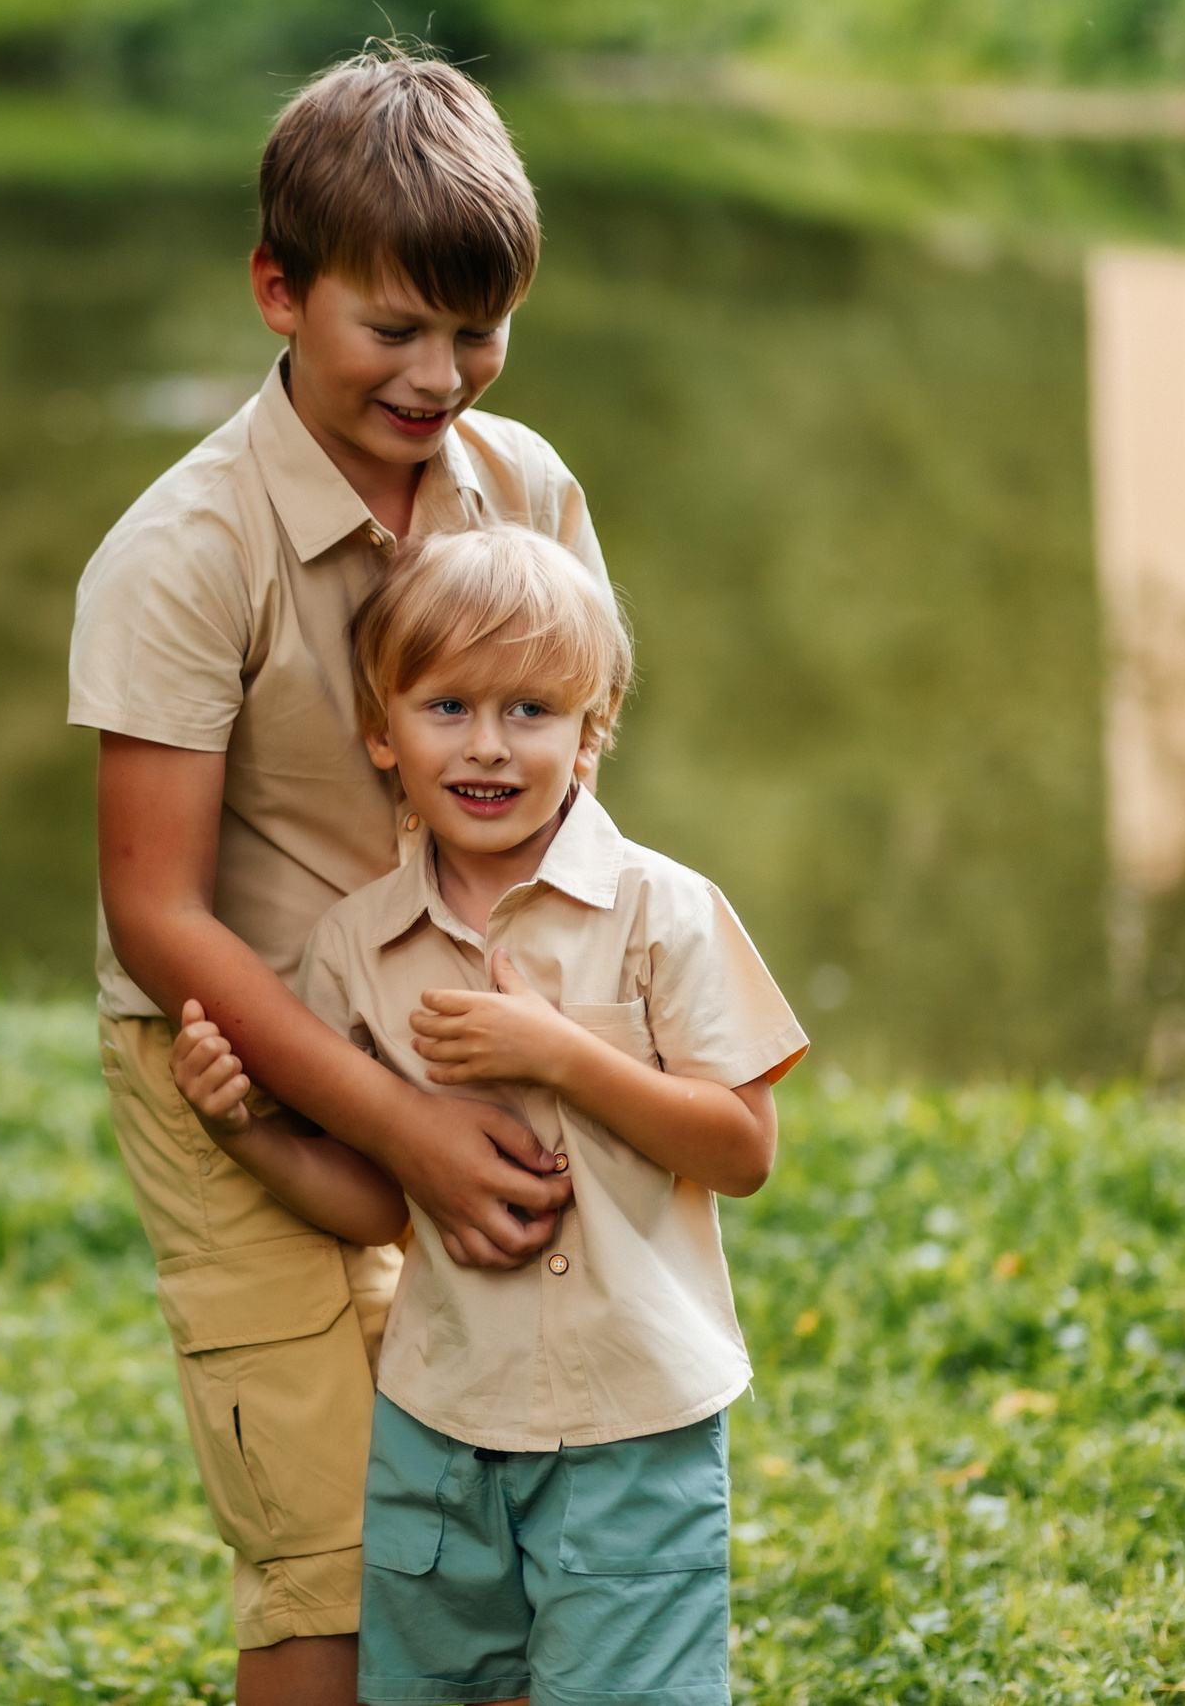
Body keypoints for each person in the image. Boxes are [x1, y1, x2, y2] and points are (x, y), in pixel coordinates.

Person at [67, 40, 603, 1706]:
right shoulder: (184, 551)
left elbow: (575, 795)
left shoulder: (524, 493)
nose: (443, 373)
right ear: (277, 291)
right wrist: (391, 1129)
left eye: (479, 327)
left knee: (496, 1518)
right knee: (330, 1554)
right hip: (238, 1050)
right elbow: (159, 912)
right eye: (396, 326)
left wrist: (547, 1048)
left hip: (464, 1033)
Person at [171, 524, 809, 1706]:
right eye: (447, 706)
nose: (488, 746)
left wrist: (561, 1055)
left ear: (590, 731)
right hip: (441, 1428)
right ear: (381, 731)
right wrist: (246, 1131)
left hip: (632, 1424)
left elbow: (743, 1148)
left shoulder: (659, 910)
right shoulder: (354, 947)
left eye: (530, 711)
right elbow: (373, 1203)